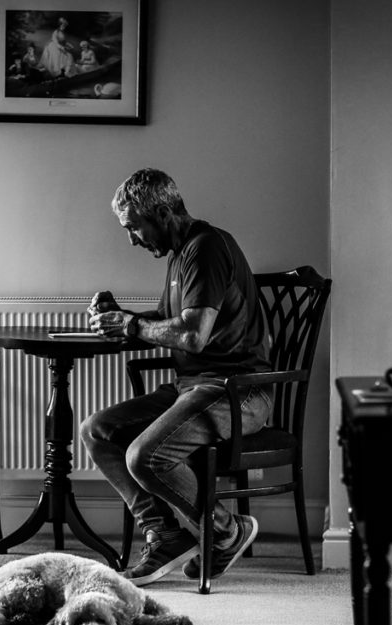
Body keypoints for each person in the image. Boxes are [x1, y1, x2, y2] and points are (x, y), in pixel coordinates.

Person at [80, 168, 273, 587]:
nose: (131, 239)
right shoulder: (179, 254)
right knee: (98, 429)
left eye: (134, 227)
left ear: (163, 212)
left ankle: (225, 530)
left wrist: (131, 327)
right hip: (194, 387)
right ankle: (165, 534)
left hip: (238, 391)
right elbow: (171, 321)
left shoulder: (207, 248)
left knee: (143, 455)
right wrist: (121, 319)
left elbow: (192, 334)